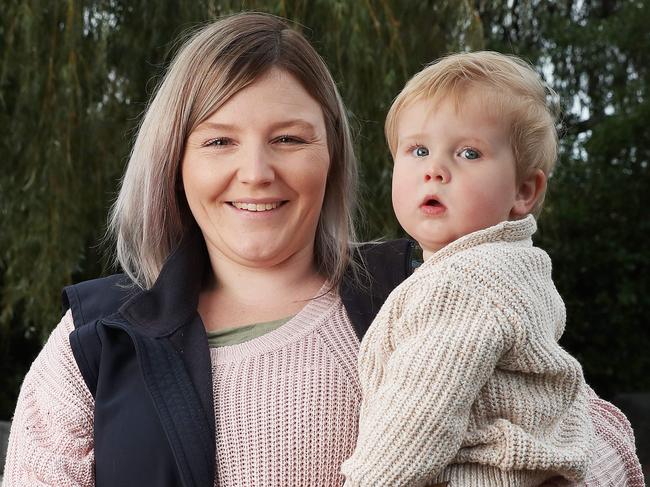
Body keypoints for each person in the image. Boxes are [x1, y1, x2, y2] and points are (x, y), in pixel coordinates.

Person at [2, 13, 644, 487]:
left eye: (288, 139)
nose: (255, 172)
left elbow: (599, 441)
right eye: (219, 141)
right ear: (175, 162)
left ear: (331, 157)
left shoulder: (426, 290)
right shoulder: (96, 340)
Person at [340, 52, 635, 487]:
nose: (435, 170)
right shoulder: (519, 268)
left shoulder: (461, 284)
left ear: (524, 190)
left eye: (469, 153)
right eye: (418, 150)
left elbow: (416, 422)